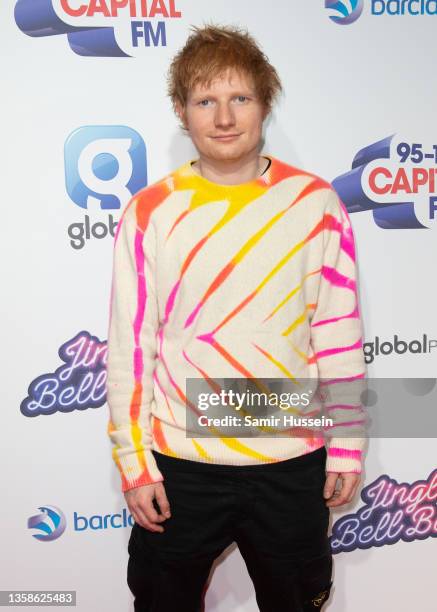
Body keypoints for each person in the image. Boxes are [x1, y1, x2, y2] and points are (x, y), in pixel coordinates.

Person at [106, 23, 367, 612]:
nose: (223, 117)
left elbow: (338, 335)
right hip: (181, 472)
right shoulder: (150, 212)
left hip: (292, 467)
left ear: (265, 104)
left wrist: (348, 443)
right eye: (205, 101)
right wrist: (134, 464)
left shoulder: (316, 204)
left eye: (239, 98)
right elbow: (131, 348)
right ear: (182, 111)